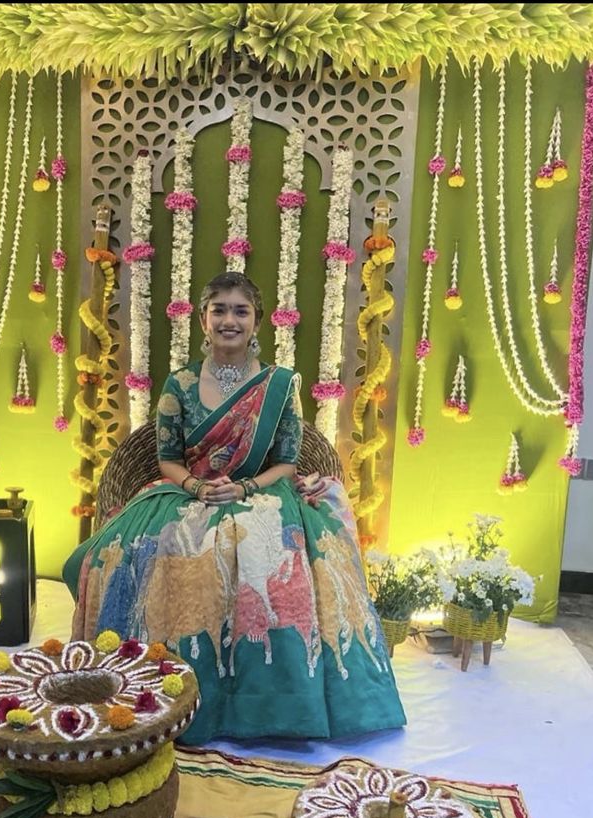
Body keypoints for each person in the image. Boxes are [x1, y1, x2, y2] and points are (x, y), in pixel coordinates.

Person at [64, 271, 405, 744]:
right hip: (188, 493)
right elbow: (166, 458)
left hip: (259, 493)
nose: (229, 320)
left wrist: (243, 490)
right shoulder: (179, 384)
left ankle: (269, 704)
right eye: (219, 310)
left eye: (240, 311)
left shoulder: (279, 386)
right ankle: (152, 688)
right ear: (203, 320)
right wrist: (198, 489)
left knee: (265, 549)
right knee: (142, 551)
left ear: (256, 322)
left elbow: (286, 462)